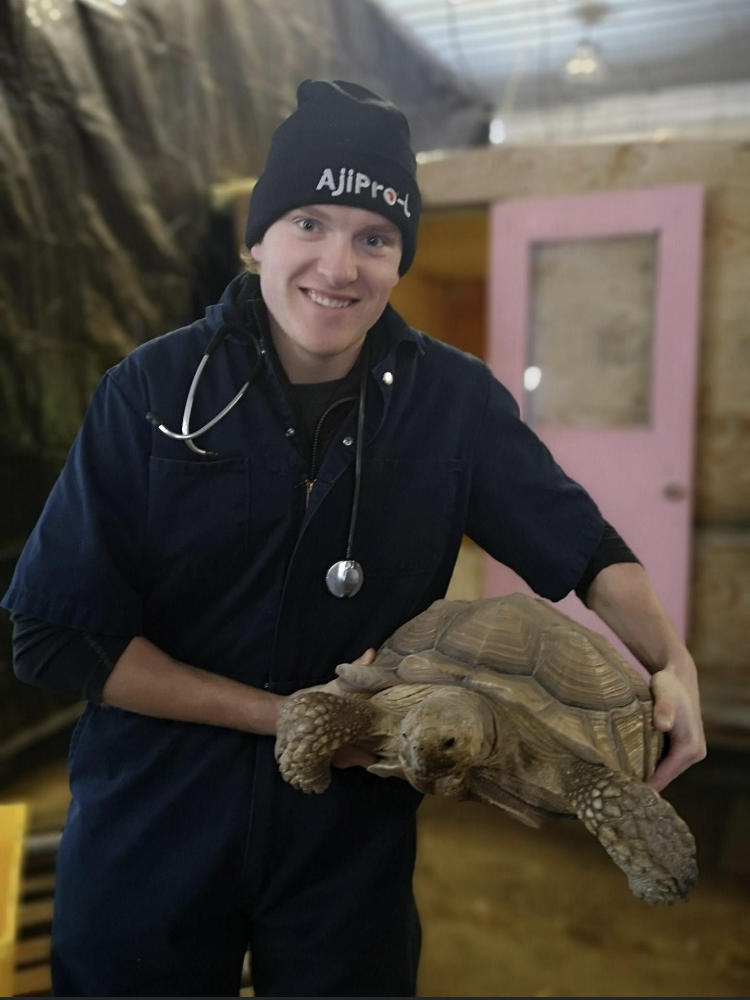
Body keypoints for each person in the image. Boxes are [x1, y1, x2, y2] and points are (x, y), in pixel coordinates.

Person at [2, 79, 705, 998]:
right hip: (152, 805)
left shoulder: (449, 404)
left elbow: (583, 545)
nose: (340, 264)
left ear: (399, 257)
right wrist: (293, 717)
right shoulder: (152, 391)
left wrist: (673, 660)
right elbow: (58, 634)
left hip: (349, 828)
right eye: (308, 222)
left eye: (374, 237)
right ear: (256, 239)